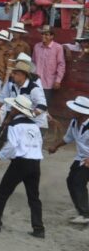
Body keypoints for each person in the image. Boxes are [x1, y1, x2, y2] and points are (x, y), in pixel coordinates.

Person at [0, 94, 45, 239]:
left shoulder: (14, 125)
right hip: (35, 162)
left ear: (17, 110)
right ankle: (39, 228)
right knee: (34, 197)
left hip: (21, 162)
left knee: (3, 192)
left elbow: (11, 145)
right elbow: (39, 144)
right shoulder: (34, 125)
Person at [48, 95, 89, 225]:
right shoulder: (74, 122)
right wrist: (56, 146)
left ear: (82, 112)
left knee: (78, 182)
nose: (71, 111)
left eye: (74, 110)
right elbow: (68, 138)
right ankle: (81, 209)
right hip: (81, 157)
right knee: (71, 180)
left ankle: (85, 214)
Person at [32, 25, 65, 104]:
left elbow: (61, 65)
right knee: (33, 104)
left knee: (44, 105)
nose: (43, 36)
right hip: (36, 81)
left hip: (49, 83)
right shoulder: (37, 46)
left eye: (46, 34)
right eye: (42, 34)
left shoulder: (58, 48)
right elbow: (32, 62)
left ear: (52, 36)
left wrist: (58, 81)